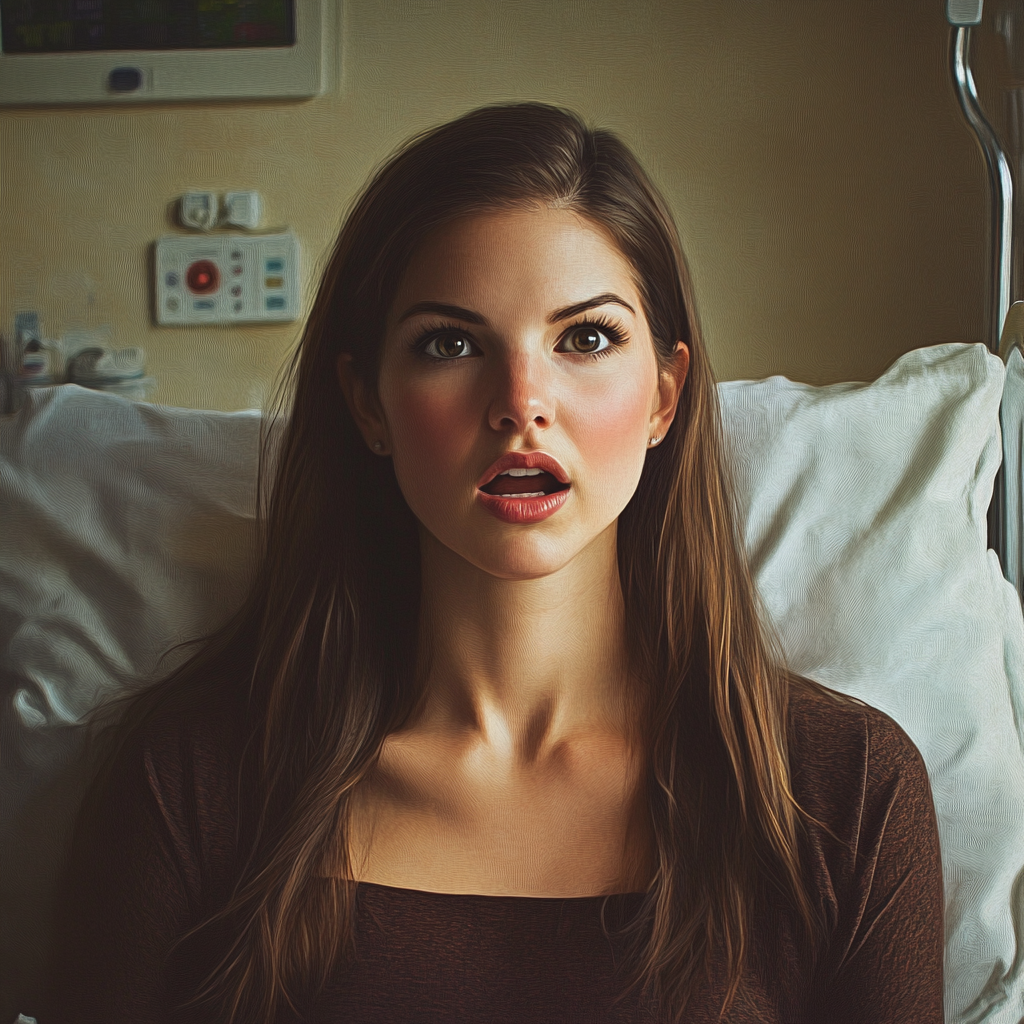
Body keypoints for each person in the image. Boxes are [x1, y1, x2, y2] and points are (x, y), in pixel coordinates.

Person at [43, 101, 944, 1023]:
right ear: (367, 405)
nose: (521, 404)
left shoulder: (844, 793)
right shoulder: (197, 782)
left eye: (585, 338)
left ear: (666, 396)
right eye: (452, 343)